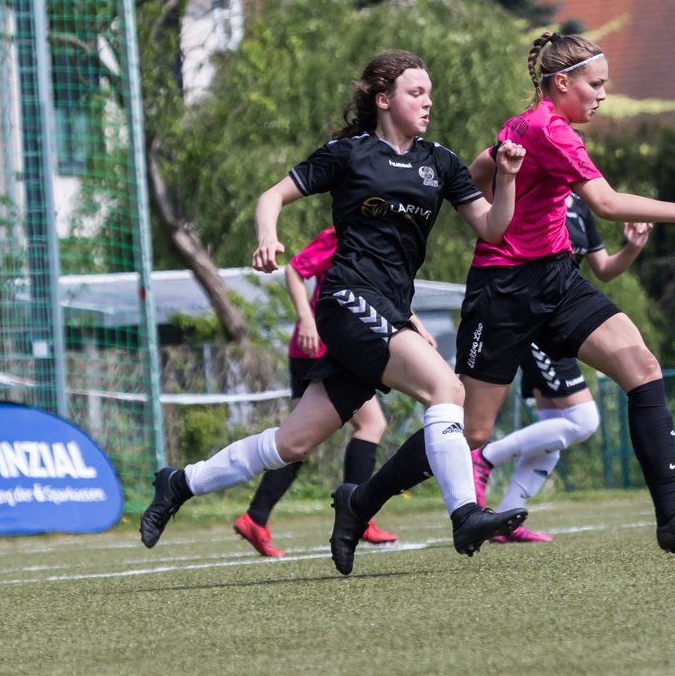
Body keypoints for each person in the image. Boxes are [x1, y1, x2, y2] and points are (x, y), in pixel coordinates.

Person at [341, 33, 675, 554]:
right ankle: (361, 501)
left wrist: (480, 197)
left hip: (556, 277)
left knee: (642, 368)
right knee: (472, 432)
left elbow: (476, 171)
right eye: (595, 85)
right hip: (503, 291)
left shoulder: (528, 126)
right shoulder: (551, 131)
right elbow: (607, 204)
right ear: (562, 82)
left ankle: (672, 516)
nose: (601, 95)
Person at [139, 50, 530, 574]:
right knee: (448, 390)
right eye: (417, 92)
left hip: (390, 308)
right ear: (383, 99)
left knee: (292, 443)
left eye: (430, 92)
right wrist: (267, 237)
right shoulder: (348, 154)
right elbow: (271, 196)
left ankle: (180, 482)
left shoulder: (441, 162)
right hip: (347, 299)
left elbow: (493, 230)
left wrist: (506, 178)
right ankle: (464, 514)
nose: (428, 101)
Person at [474, 194, 652, 544]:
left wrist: (631, 247)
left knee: (554, 430)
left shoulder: (581, 205)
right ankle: (486, 456)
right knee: (583, 421)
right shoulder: (531, 192)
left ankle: (506, 520)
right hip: (534, 320)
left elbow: (603, 269)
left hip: (562, 322)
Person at [233, 226, 399, 557]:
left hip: (329, 347)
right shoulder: (345, 230)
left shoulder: (386, 236)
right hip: (321, 347)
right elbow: (295, 270)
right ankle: (359, 517)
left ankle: (256, 517)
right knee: (369, 425)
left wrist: (417, 329)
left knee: (298, 441)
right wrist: (306, 319)